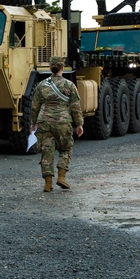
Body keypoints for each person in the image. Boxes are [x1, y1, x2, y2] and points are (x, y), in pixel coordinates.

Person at [32, 57, 84, 192]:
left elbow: (34, 106)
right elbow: (75, 106)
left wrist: (33, 123)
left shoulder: (42, 85)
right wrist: (79, 124)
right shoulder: (69, 85)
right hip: (63, 122)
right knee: (66, 149)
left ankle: (48, 184)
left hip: (44, 122)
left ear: (50, 68)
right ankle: (61, 177)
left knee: (46, 151)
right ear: (62, 68)